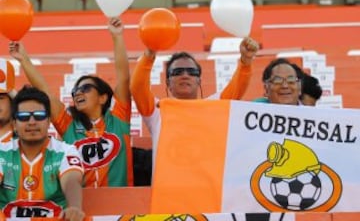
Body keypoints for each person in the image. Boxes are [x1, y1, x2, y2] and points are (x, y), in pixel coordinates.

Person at [9, 18, 133, 188]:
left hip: (121, 205)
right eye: (75, 91)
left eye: (86, 88)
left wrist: (117, 37)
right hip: (81, 204)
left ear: (103, 97)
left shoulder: (119, 119)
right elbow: (44, 92)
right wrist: (24, 60)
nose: (79, 92)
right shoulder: (68, 125)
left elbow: (124, 77)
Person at [130, 37, 259, 177]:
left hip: (206, 191)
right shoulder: (157, 110)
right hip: (168, 193)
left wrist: (245, 61)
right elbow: (137, 88)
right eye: (177, 72)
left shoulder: (213, 106)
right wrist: (149, 55)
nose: (185, 75)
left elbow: (236, 88)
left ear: (199, 81)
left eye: (192, 72)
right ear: (167, 83)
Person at [0, 86, 84, 220]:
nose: (32, 122)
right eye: (24, 117)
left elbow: (72, 181)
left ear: (49, 121)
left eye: (39, 116)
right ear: (14, 123)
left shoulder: (65, 151)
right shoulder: (2, 152)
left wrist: (74, 207)